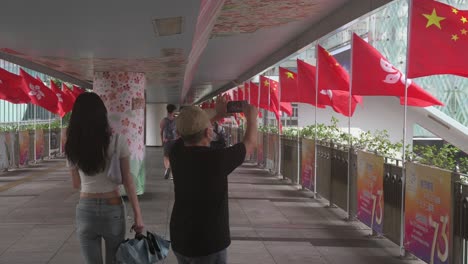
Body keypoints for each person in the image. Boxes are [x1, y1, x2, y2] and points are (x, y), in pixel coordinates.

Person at [169, 97, 257, 264]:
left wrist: (217, 115)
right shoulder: (217, 159)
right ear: (209, 132)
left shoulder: (176, 152)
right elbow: (250, 143)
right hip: (208, 242)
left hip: (180, 236)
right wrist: (252, 117)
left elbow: (190, 131)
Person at [65, 93, 144, 264]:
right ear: (102, 115)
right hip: (113, 209)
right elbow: (128, 180)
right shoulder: (117, 141)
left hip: (85, 209)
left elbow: (76, 184)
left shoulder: (72, 145)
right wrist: (138, 216)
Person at [160, 104, 177, 179]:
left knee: (166, 156)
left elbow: (161, 132)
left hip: (166, 141)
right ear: (173, 111)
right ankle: (172, 174)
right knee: (173, 156)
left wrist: (162, 141)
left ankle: (167, 169)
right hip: (174, 141)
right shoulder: (176, 120)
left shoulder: (163, 120)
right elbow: (178, 131)